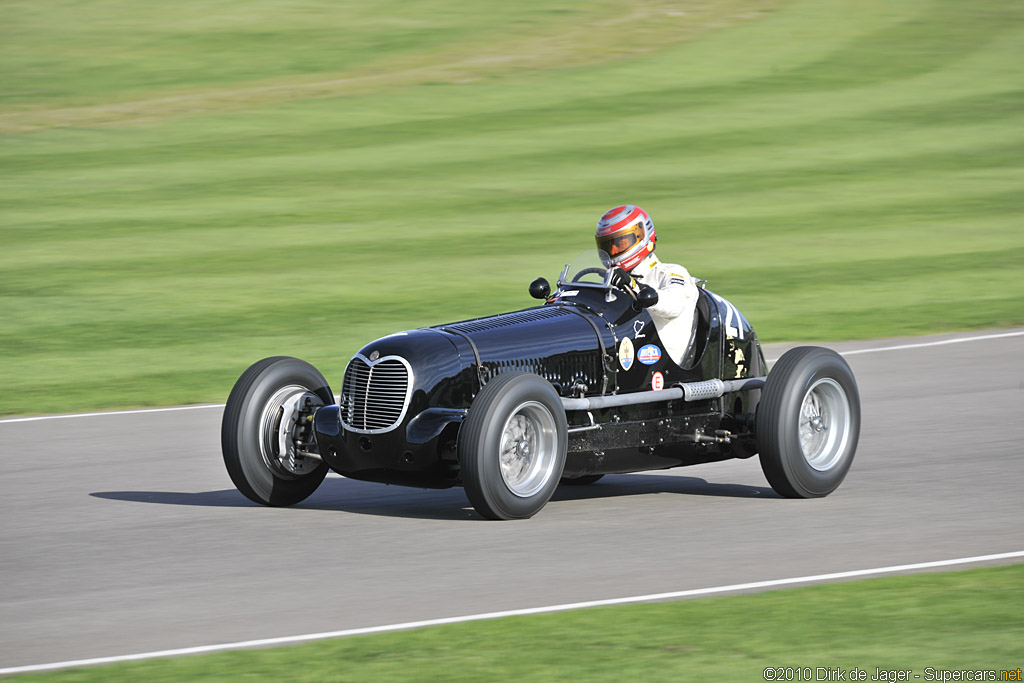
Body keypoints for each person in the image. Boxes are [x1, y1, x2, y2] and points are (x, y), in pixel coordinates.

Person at [595, 205, 700, 366]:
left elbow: (673, 304)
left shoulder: (671, 273)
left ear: (641, 236)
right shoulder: (612, 281)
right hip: (621, 361)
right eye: (608, 246)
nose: (613, 250)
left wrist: (634, 287)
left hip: (663, 367)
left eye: (620, 243)